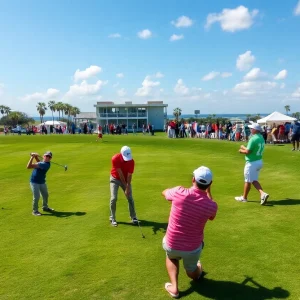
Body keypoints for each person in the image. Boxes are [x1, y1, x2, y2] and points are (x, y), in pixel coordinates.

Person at [162, 166, 218, 298]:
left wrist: (170, 194)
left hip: (172, 243)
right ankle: (196, 270)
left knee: (171, 257)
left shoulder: (179, 192)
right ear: (210, 184)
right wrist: (208, 192)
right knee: (193, 273)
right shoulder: (211, 206)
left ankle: (174, 287)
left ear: (193, 179)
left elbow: (164, 192)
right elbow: (212, 217)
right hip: (193, 248)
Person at [235, 123, 269, 205]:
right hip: (259, 161)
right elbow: (252, 149)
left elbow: (248, 152)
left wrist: (241, 151)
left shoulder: (253, 139)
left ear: (255, 130)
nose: (250, 130)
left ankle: (246, 197)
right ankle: (259, 195)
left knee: (248, 180)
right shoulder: (261, 138)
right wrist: (243, 147)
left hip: (252, 162)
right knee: (253, 180)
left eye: (252, 128)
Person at [109, 146, 138, 227]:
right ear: (121, 154)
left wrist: (127, 187)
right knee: (113, 198)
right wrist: (125, 186)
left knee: (130, 198)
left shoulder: (131, 161)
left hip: (126, 179)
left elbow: (129, 175)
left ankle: (133, 217)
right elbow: (120, 173)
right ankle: (112, 218)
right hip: (114, 178)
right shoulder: (115, 158)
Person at [27, 151, 54, 216]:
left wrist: (32, 157)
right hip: (34, 182)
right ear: (43, 156)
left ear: (50, 158)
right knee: (36, 197)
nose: (47, 157)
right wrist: (35, 156)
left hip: (41, 182)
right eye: (46, 156)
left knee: (45, 195)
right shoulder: (43, 162)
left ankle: (45, 207)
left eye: (49, 157)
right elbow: (39, 162)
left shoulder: (46, 164)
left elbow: (29, 166)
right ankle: (35, 211)